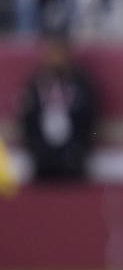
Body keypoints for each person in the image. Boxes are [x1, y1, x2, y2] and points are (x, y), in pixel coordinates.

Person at [18, 32, 99, 181]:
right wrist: (35, 149)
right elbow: (26, 118)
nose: (55, 57)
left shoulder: (80, 84)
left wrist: (79, 149)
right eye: (51, 52)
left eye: (59, 52)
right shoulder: (37, 83)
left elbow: (89, 118)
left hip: (72, 155)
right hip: (42, 156)